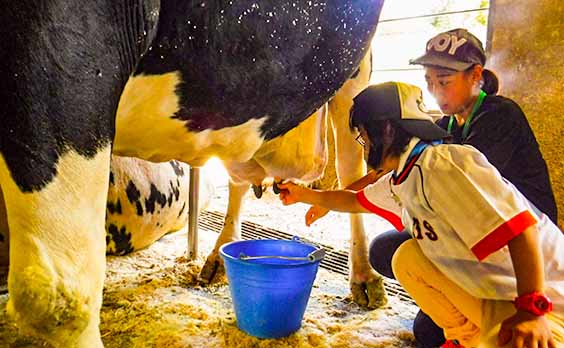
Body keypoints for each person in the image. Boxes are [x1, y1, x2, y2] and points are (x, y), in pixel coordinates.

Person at [303, 28, 560, 347]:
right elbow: (382, 176)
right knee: (394, 256)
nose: (436, 91)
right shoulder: (442, 131)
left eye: (444, 80)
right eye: (429, 81)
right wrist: (322, 198)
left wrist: (531, 308)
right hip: (474, 237)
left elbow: (516, 226)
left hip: (522, 251)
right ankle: (467, 328)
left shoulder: (486, 127)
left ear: (475, 75)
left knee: (430, 313)